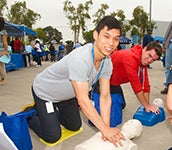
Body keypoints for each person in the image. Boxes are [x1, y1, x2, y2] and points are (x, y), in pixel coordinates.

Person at [23, 16, 125, 147]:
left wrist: (105, 128)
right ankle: (31, 115)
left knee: (75, 126)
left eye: (116, 39)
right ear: (96, 34)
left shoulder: (107, 62)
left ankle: (50, 115)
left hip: (67, 96)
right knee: (53, 136)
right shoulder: (81, 58)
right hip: (45, 92)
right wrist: (105, 130)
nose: (111, 43)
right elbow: (83, 100)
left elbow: (105, 97)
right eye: (106, 36)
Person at [95, 41, 162, 119]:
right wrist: (146, 105)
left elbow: (145, 85)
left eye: (153, 60)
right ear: (145, 49)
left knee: (122, 106)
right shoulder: (131, 58)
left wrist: (147, 106)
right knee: (108, 117)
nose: (150, 60)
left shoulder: (142, 61)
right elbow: (136, 86)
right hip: (101, 81)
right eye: (149, 55)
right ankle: (90, 94)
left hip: (115, 83)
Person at [0, 17, 8, 85]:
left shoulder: (3, 32)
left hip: (1, 50)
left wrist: (6, 51)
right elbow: (5, 43)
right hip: (1, 50)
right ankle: (2, 78)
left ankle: (3, 78)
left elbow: (5, 42)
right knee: (1, 65)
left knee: (1, 65)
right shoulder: (3, 32)